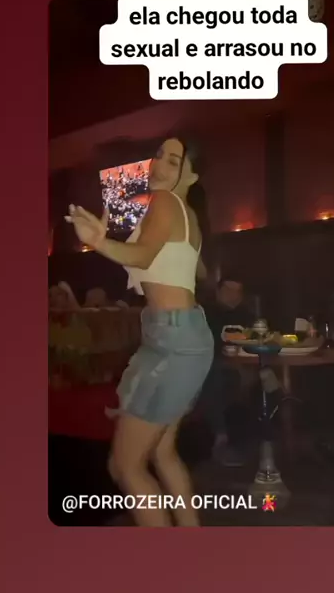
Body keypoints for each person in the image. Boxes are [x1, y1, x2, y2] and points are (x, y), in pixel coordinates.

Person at [65, 137, 213, 527]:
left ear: (192, 176)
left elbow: (144, 256)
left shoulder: (165, 202)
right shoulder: (188, 215)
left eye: (174, 161)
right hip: (186, 337)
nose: (159, 165)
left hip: (172, 340)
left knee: (125, 466)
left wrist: (99, 241)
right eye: (159, 155)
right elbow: (196, 272)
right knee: (162, 454)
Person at [200, 278, 254, 466]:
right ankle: (221, 440)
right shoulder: (205, 314)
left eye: (238, 291)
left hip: (246, 364)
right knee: (216, 379)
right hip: (213, 366)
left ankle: (265, 441)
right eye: (229, 290)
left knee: (268, 379)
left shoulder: (248, 316)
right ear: (218, 292)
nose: (234, 295)